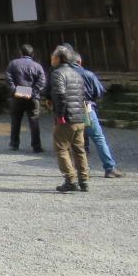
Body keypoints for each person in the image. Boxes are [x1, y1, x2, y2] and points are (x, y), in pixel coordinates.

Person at [73, 53, 124, 178]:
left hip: (71, 110)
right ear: (80, 62)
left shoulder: (64, 74)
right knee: (98, 138)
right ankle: (109, 168)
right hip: (86, 108)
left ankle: (83, 169)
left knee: (77, 141)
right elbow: (99, 91)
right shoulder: (88, 74)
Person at [49, 44, 90, 193]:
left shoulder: (57, 73)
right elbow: (83, 95)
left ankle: (70, 180)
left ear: (59, 58)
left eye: (53, 56)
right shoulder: (77, 73)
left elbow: (60, 95)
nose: (51, 58)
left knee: (61, 148)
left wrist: (60, 115)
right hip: (79, 116)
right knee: (79, 150)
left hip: (67, 117)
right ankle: (84, 180)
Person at [5, 44, 46, 153]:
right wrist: (32, 91)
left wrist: (15, 90)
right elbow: (42, 81)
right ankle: (36, 146)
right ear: (32, 54)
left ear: (21, 53)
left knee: (15, 120)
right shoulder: (37, 66)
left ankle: (14, 144)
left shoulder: (13, 64)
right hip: (32, 97)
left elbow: (8, 78)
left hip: (17, 96)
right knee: (34, 121)